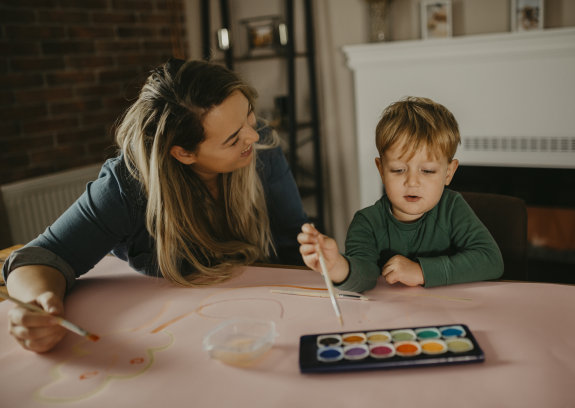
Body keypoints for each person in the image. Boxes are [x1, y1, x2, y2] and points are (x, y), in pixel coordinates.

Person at [3, 58, 309, 352]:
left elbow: (293, 242)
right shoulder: (128, 186)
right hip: (168, 333)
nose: (253, 135)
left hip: (256, 317)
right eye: (232, 139)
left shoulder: (261, 144)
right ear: (183, 153)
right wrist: (36, 303)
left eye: (250, 115)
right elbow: (38, 258)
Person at [298, 96, 503, 293]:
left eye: (428, 171)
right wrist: (336, 266)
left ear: (448, 173)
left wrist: (421, 271)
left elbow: (491, 260)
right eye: (398, 170)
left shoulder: (453, 208)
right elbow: (365, 274)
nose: (412, 182)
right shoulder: (367, 222)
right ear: (381, 169)